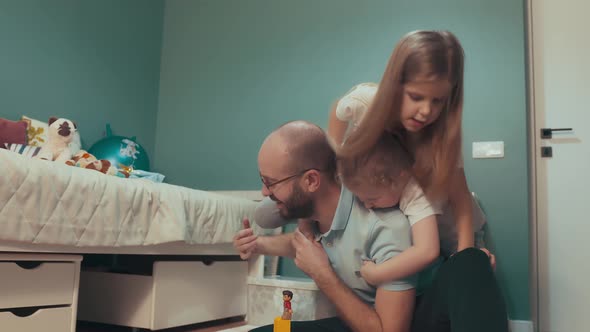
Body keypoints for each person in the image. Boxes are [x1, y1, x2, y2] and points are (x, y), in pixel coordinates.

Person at [235, 121, 508, 332]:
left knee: (471, 260)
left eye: (270, 182)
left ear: (311, 181)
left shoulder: (385, 224)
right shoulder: (317, 213)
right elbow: (308, 244)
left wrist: (323, 273)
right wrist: (258, 244)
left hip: (400, 324)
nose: (263, 191)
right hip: (361, 322)